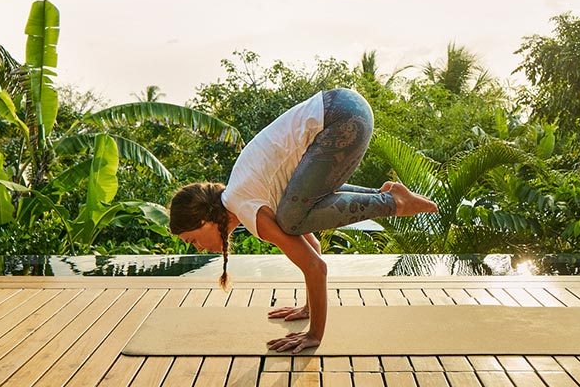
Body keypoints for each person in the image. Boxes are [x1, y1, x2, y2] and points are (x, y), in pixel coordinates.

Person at [167, 87, 437, 353]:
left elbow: (315, 267)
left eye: (192, 240)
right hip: (343, 109)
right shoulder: (250, 193)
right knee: (292, 217)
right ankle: (387, 195)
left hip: (340, 119)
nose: (198, 248)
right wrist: (308, 307)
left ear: (203, 221)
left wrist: (314, 335)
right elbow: (314, 248)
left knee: (291, 221)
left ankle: (393, 202)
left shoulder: (245, 204)